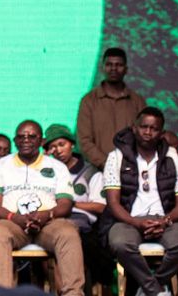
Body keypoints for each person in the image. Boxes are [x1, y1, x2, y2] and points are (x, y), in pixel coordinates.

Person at [0, 120, 84, 296]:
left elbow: (65, 204)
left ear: (41, 141)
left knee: (68, 232)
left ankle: (73, 294)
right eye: (21, 136)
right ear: (15, 141)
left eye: (32, 136)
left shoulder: (58, 167)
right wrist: (15, 218)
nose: (26, 140)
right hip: (13, 223)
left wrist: (46, 215)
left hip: (48, 222)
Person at [101, 107, 178, 296]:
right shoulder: (116, 157)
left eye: (154, 129)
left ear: (162, 133)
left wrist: (164, 221)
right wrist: (136, 223)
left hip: (165, 220)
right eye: (144, 127)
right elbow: (113, 203)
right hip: (128, 220)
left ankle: (148, 289)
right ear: (134, 128)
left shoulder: (172, 157)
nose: (148, 133)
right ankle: (157, 291)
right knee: (119, 243)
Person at [45, 124, 109, 291]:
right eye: (52, 147)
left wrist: (70, 204)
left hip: (82, 226)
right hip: (52, 222)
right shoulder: (45, 173)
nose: (57, 150)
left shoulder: (90, 172)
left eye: (61, 144)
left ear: (72, 144)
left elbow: (101, 207)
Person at [76, 47, 146, 169]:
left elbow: (145, 137)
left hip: (133, 169)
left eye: (118, 65)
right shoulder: (89, 101)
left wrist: (131, 164)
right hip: (97, 169)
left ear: (126, 69)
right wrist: (108, 164)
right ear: (103, 68)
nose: (113, 68)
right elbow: (84, 141)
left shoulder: (137, 101)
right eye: (109, 64)